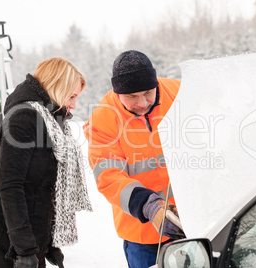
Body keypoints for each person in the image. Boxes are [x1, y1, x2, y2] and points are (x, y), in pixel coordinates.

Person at [0, 57, 92, 268]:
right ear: (56, 87)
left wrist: (48, 243)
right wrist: (24, 249)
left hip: (29, 244)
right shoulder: (23, 118)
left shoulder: (50, 122)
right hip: (1, 250)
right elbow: (10, 186)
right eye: (71, 96)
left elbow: (44, 189)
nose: (73, 105)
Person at [83, 50, 184, 268]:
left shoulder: (179, 93)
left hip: (193, 222)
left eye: (148, 92)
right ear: (117, 92)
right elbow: (108, 177)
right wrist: (148, 205)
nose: (142, 103)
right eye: (131, 97)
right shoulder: (103, 118)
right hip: (143, 235)